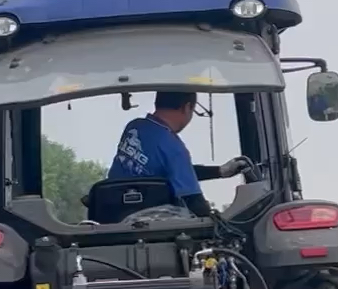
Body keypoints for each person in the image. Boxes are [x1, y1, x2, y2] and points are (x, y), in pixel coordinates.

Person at [108, 90, 254, 217]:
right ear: (187, 107)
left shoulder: (134, 127)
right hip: (151, 224)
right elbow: (194, 202)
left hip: (112, 215)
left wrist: (219, 171)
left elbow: (169, 170)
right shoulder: (173, 146)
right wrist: (216, 220)